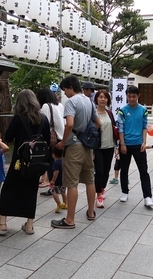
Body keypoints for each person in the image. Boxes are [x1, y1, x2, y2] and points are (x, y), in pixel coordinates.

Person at [0, 89, 50, 236]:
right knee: (31, 191)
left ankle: (3, 224)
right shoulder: (43, 119)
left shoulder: (18, 119)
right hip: (36, 162)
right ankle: (29, 225)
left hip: (19, 161)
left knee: (8, 189)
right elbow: (48, 140)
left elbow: (9, 137)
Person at [51, 75, 100, 229]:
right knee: (89, 180)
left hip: (74, 147)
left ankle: (70, 220)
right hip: (88, 147)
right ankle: (91, 212)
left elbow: (70, 124)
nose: (64, 93)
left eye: (65, 89)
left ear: (70, 87)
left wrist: (63, 142)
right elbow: (98, 123)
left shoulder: (71, 102)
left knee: (72, 183)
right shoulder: (89, 101)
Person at [117, 86, 153, 207]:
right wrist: (122, 144)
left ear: (138, 96)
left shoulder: (143, 110)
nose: (131, 98)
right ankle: (124, 192)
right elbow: (120, 128)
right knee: (124, 170)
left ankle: (147, 196)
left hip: (139, 145)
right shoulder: (122, 110)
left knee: (144, 171)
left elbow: (144, 127)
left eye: (134, 96)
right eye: (129, 96)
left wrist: (144, 142)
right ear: (126, 96)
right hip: (126, 145)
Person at [36, 87, 65, 192]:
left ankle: (49, 183)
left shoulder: (45, 106)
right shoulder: (60, 105)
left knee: (51, 162)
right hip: (61, 138)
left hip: (52, 139)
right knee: (58, 162)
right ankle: (55, 184)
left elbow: (44, 123)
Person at [93, 89, 117, 208]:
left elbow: (114, 128)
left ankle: (102, 188)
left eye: (105, 97)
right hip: (98, 147)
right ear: (96, 99)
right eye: (100, 97)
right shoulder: (93, 114)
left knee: (107, 170)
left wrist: (116, 145)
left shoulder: (110, 113)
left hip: (110, 146)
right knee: (99, 171)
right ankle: (98, 196)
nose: (103, 99)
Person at [50, 146, 68, 213]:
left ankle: (59, 204)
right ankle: (65, 204)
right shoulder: (64, 161)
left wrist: (53, 180)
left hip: (57, 181)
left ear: (53, 154)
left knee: (53, 191)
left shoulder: (56, 163)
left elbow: (56, 172)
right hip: (64, 180)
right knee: (63, 192)